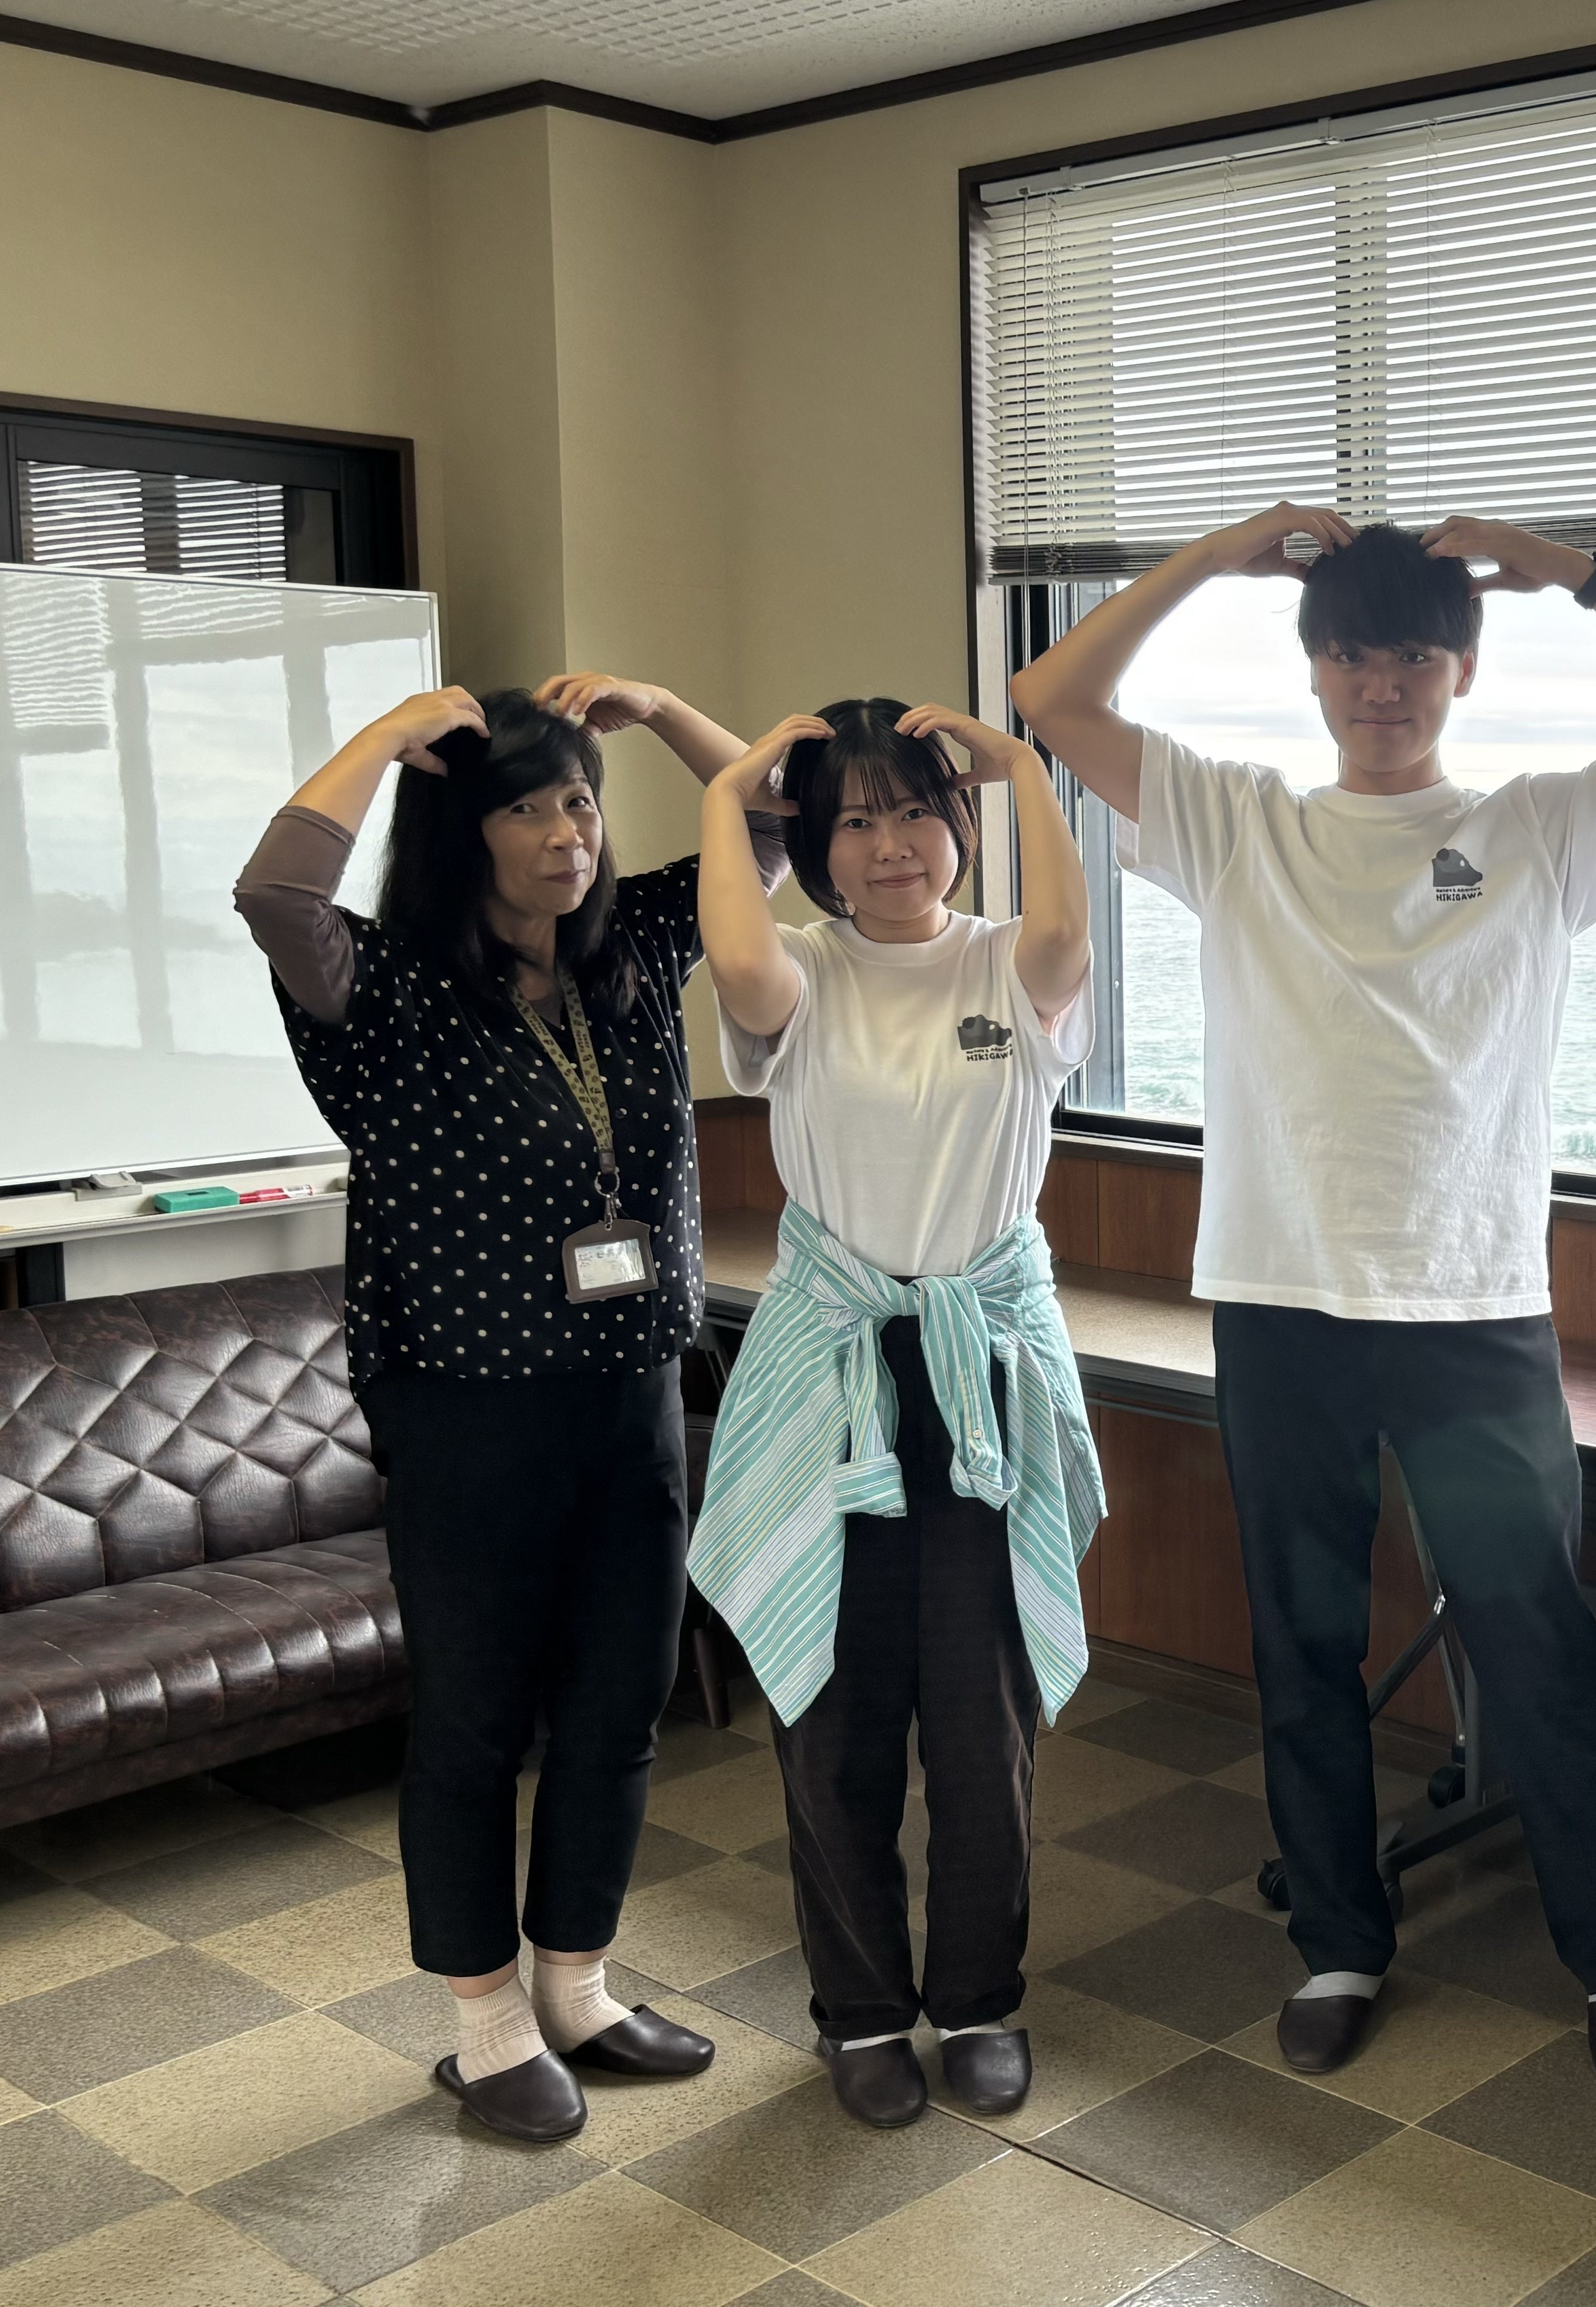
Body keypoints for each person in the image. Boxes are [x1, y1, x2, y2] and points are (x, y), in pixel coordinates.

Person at [1008, 503, 1596, 2085]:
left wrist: (1579, 574)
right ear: (1314, 671)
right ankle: (1338, 1942)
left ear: (1462, 669)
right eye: (1352, 655)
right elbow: (1052, 699)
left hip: (1473, 1305)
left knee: (1534, 1634)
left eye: (1413, 654)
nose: (1382, 686)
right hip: (1280, 1295)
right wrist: (1220, 553)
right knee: (1303, 1638)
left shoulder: (1540, 828)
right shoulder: (1240, 822)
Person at [235, 672, 776, 2142]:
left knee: (618, 1703)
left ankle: (576, 1986)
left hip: (631, 1390)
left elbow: (777, 814)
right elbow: (274, 893)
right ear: (459, 832)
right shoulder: (386, 986)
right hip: (466, 1404)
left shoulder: (632, 947)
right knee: (476, 1719)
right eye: (525, 808)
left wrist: (666, 710)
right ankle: (484, 2022)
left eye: (579, 802)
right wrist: (380, 740)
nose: (566, 834)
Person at [685, 698, 1104, 2130]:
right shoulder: (799, 975)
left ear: (961, 826)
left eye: (918, 810)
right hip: (834, 1375)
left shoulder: (1012, 964)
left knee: (985, 1729)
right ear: (812, 846)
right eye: (853, 820)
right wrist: (729, 791)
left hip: (981, 1374)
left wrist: (1025, 765)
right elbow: (736, 954)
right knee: (834, 1714)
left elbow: (1070, 936)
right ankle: (860, 2014)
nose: (890, 846)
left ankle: (981, 2000)